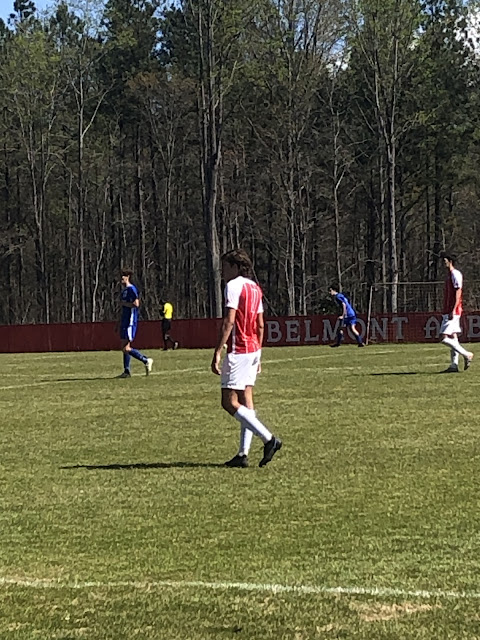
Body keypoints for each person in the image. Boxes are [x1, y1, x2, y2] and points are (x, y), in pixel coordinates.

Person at [211, 248, 282, 468]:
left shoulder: (233, 286)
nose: (222, 272)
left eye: (224, 267)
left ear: (234, 267)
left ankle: (268, 438)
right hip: (252, 349)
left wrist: (218, 350)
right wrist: (259, 353)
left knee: (228, 401)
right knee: (246, 399)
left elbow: (229, 321)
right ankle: (242, 454)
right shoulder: (255, 288)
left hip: (239, 348)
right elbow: (260, 324)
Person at [439, 253, 473, 373]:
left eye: (444, 260)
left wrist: (453, 309)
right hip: (448, 309)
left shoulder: (455, 274)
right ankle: (454, 365)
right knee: (453, 337)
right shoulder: (449, 275)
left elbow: (458, 292)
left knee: (443, 337)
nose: (443, 263)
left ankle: (467, 354)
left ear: (450, 261)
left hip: (453, 310)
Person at [117, 268, 153, 378]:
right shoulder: (124, 291)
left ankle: (146, 360)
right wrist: (118, 322)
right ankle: (127, 371)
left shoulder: (132, 289)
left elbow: (136, 304)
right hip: (124, 320)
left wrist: (124, 303)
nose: (120, 279)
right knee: (123, 346)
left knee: (126, 348)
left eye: (122, 277)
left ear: (127, 277)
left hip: (130, 321)